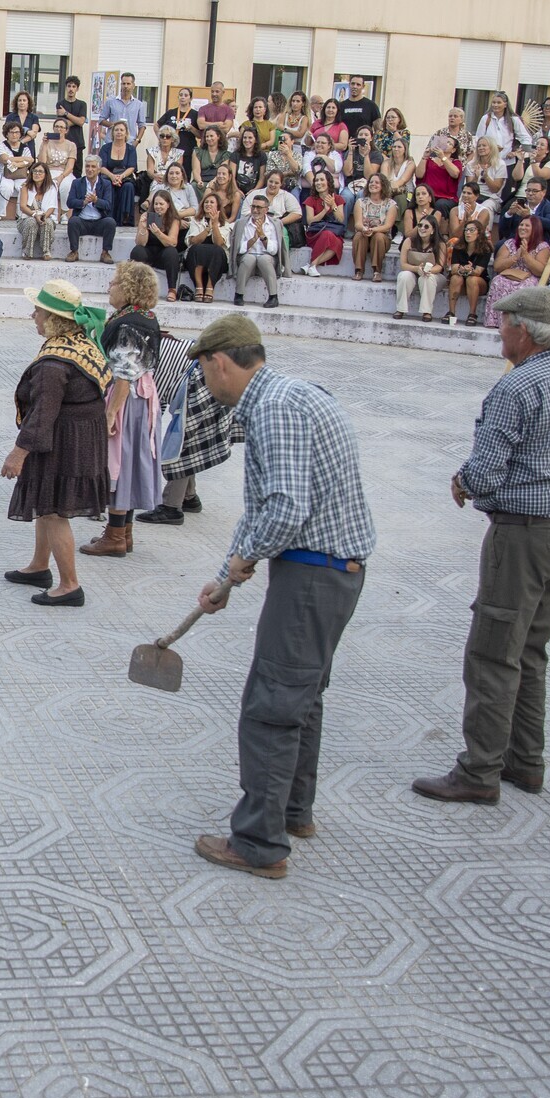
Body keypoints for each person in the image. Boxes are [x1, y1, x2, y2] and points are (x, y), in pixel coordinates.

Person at [184, 313, 375, 880]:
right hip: (331, 571)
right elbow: (269, 505)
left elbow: (286, 508)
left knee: (271, 704)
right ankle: (294, 811)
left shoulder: (274, 408)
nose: (206, 386)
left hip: (312, 576)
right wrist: (225, 575)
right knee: (302, 695)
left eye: (203, 373)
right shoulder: (294, 394)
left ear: (221, 362)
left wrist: (245, 560)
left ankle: (260, 844)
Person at [413, 286, 550, 806]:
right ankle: (526, 762)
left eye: (503, 323)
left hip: (523, 534)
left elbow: (486, 469)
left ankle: (479, 771)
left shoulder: (516, 388)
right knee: (531, 650)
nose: (498, 331)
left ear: (523, 330)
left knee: (494, 653)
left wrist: (463, 481)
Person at [0, 279, 111, 609]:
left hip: (62, 439)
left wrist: (18, 453)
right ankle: (38, 566)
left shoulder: (54, 363)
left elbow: (41, 415)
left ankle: (69, 585)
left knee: (51, 510)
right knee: (45, 501)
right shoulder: (82, 343)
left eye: (38, 311)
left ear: (54, 318)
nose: (33, 315)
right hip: (81, 435)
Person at [80, 263, 166, 559]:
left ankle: (115, 535)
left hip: (126, 398)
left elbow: (125, 374)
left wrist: (110, 413)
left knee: (118, 460)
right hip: (140, 396)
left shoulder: (131, 323)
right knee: (128, 459)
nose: (109, 287)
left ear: (129, 288)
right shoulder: (143, 317)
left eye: (114, 282)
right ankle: (123, 532)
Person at [235, 194, 283, 308]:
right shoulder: (242, 223)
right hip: (247, 258)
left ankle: (273, 297)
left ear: (266, 209)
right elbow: (239, 249)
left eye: (259, 208)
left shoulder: (274, 224)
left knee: (264, 259)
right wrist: (253, 239)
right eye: (253, 207)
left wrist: (262, 237)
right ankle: (239, 294)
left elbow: (274, 250)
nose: (255, 210)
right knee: (248, 258)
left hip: (266, 259)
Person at [394, 215, 445, 320]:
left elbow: (440, 266)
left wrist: (427, 271)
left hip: (434, 275)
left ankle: (427, 311)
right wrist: (417, 269)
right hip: (413, 272)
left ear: (432, 230)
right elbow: (403, 264)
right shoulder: (409, 241)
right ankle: (400, 309)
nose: (422, 228)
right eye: (420, 225)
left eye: (426, 226)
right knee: (404, 275)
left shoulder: (440, 244)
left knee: (427, 277)